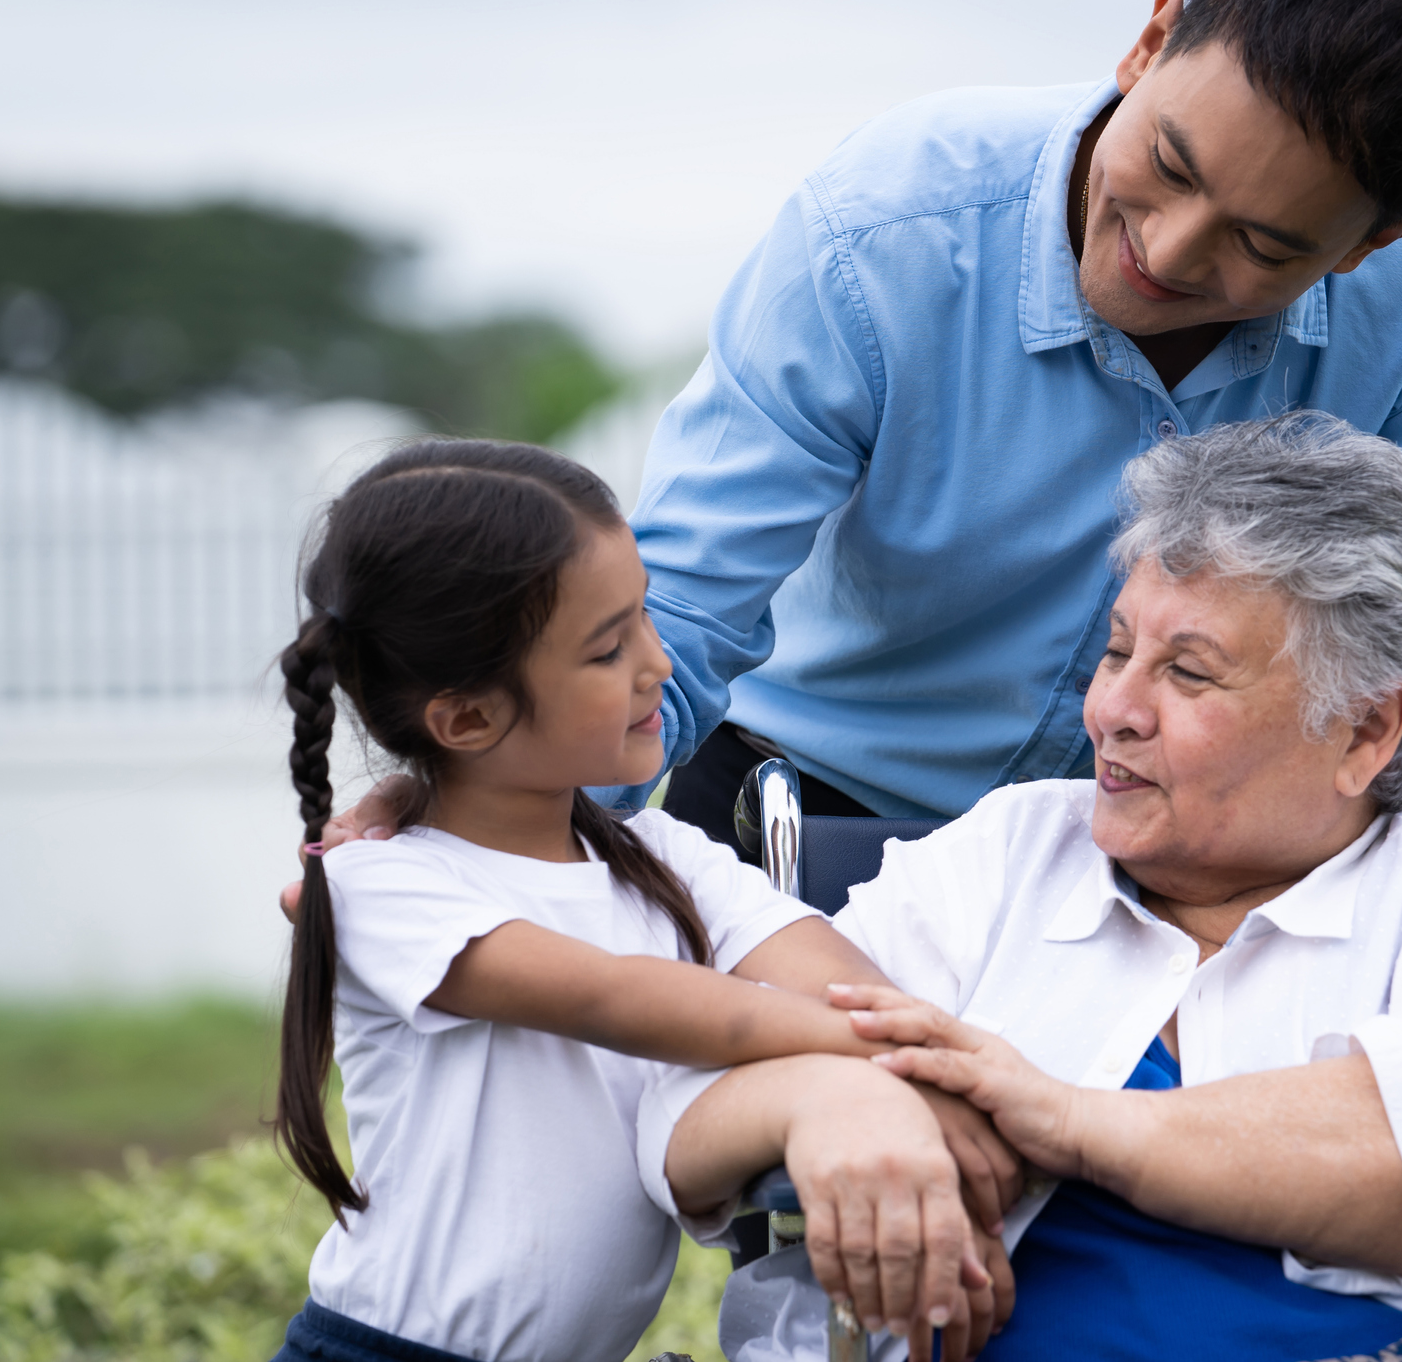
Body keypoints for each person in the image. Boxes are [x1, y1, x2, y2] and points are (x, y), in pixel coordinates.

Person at [622, 0, 1402, 979]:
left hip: (1191, 879)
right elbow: (677, 614)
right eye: (1170, 165)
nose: (1165, 254)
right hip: (810, 835)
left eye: (1263, 244)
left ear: (1377, 244)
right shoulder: (881, 232)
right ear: (1150, 40)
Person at [645, 416, 1402, 1362]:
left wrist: (1068, 1124)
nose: (1114, 710)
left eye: (1188, 674)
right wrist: (824, 1097)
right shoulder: (1001, 860)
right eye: (1115, 650)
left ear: (1369, 728)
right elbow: (678, 1113)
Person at [265, 440, 1000, 1362]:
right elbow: (626, 999)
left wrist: (891, 1045)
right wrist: (931, 1055)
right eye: (609, 647)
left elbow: (842, 981)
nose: (659, 664)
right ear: (467, 718)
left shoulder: (660, 855)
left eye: (646, 616)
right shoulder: (387, 884)